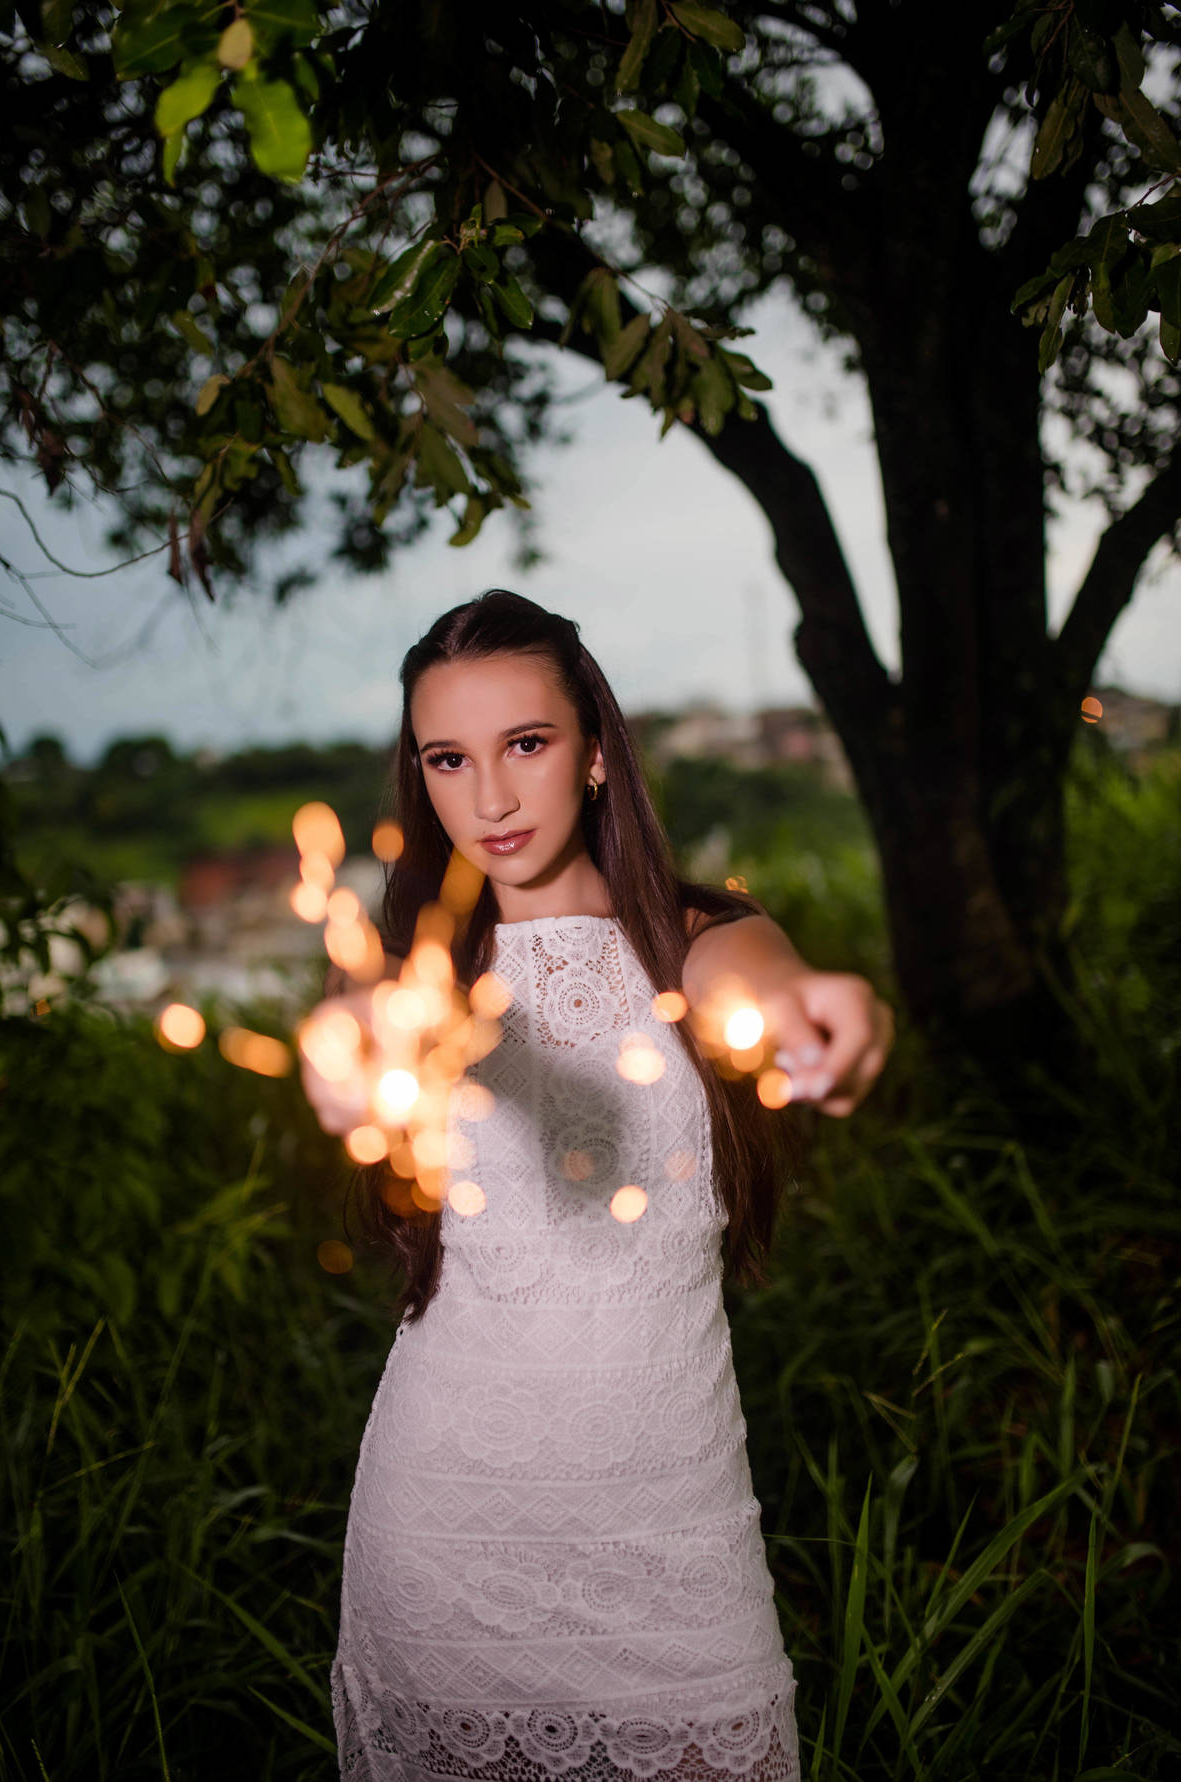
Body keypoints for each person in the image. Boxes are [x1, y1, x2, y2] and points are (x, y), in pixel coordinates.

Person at [300, 589, 893, 1782]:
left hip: (672, 1525)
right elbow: (370, 1021)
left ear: (597, 754)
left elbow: (758, 986)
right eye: (449, 759)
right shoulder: (421, 982)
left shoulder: (698, 940)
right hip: (449, 1524)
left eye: (526, 742)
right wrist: (350, 1046)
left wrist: (808, 1011)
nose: (491, 796)